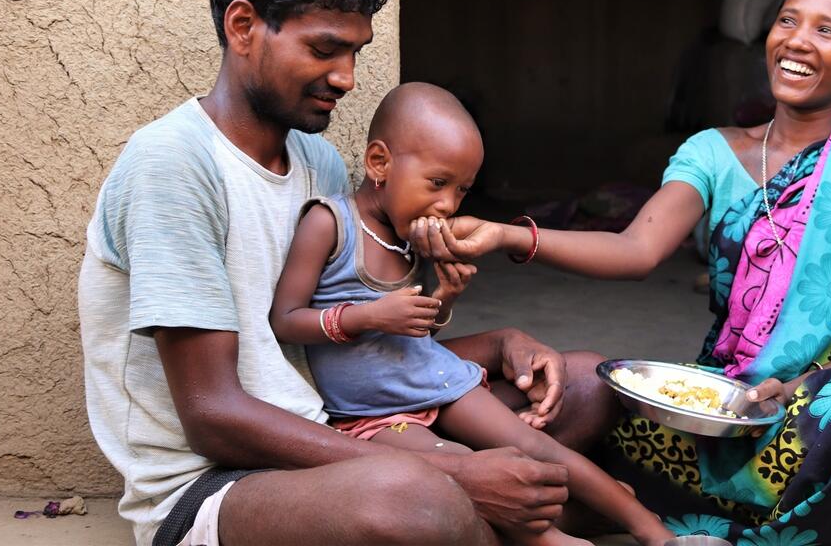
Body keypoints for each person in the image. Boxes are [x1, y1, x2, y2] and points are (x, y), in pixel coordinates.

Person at [78, 0, 620, 546]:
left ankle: (491, 519)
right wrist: (452, 476)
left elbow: (358, 352)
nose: (347, 78)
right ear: (244, 27)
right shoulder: (174, 165)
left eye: (356, 53)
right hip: (219, 484)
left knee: (583, 383)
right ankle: (492, 519)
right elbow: (212, 416)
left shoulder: (316, 161)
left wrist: (498, 340)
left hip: (341, 431)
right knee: (419, 502)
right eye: (325, 49)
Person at [410, 0, 831, 545]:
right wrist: (507, 235)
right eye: (788, 20)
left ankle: (684, 514)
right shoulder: (712, 151)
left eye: (826, 30)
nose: (798, 40)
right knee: (576, 379)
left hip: (817, 417)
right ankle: (440, 482)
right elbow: (636, 249)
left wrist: (801, 384)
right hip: (720, 407)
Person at [270, 82, 675, 546]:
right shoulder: (329, 224)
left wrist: (445, 296)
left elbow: (416, 332)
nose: (448, 205)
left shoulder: (411, 237)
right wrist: (367, 317)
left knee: (535, 446)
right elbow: (285, 318)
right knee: (465, 464)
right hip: (375, 416)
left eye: (461, 190)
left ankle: (654, 531)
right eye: (437, 183)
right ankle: (559, 537)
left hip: (433, 380)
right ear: (379, 163)